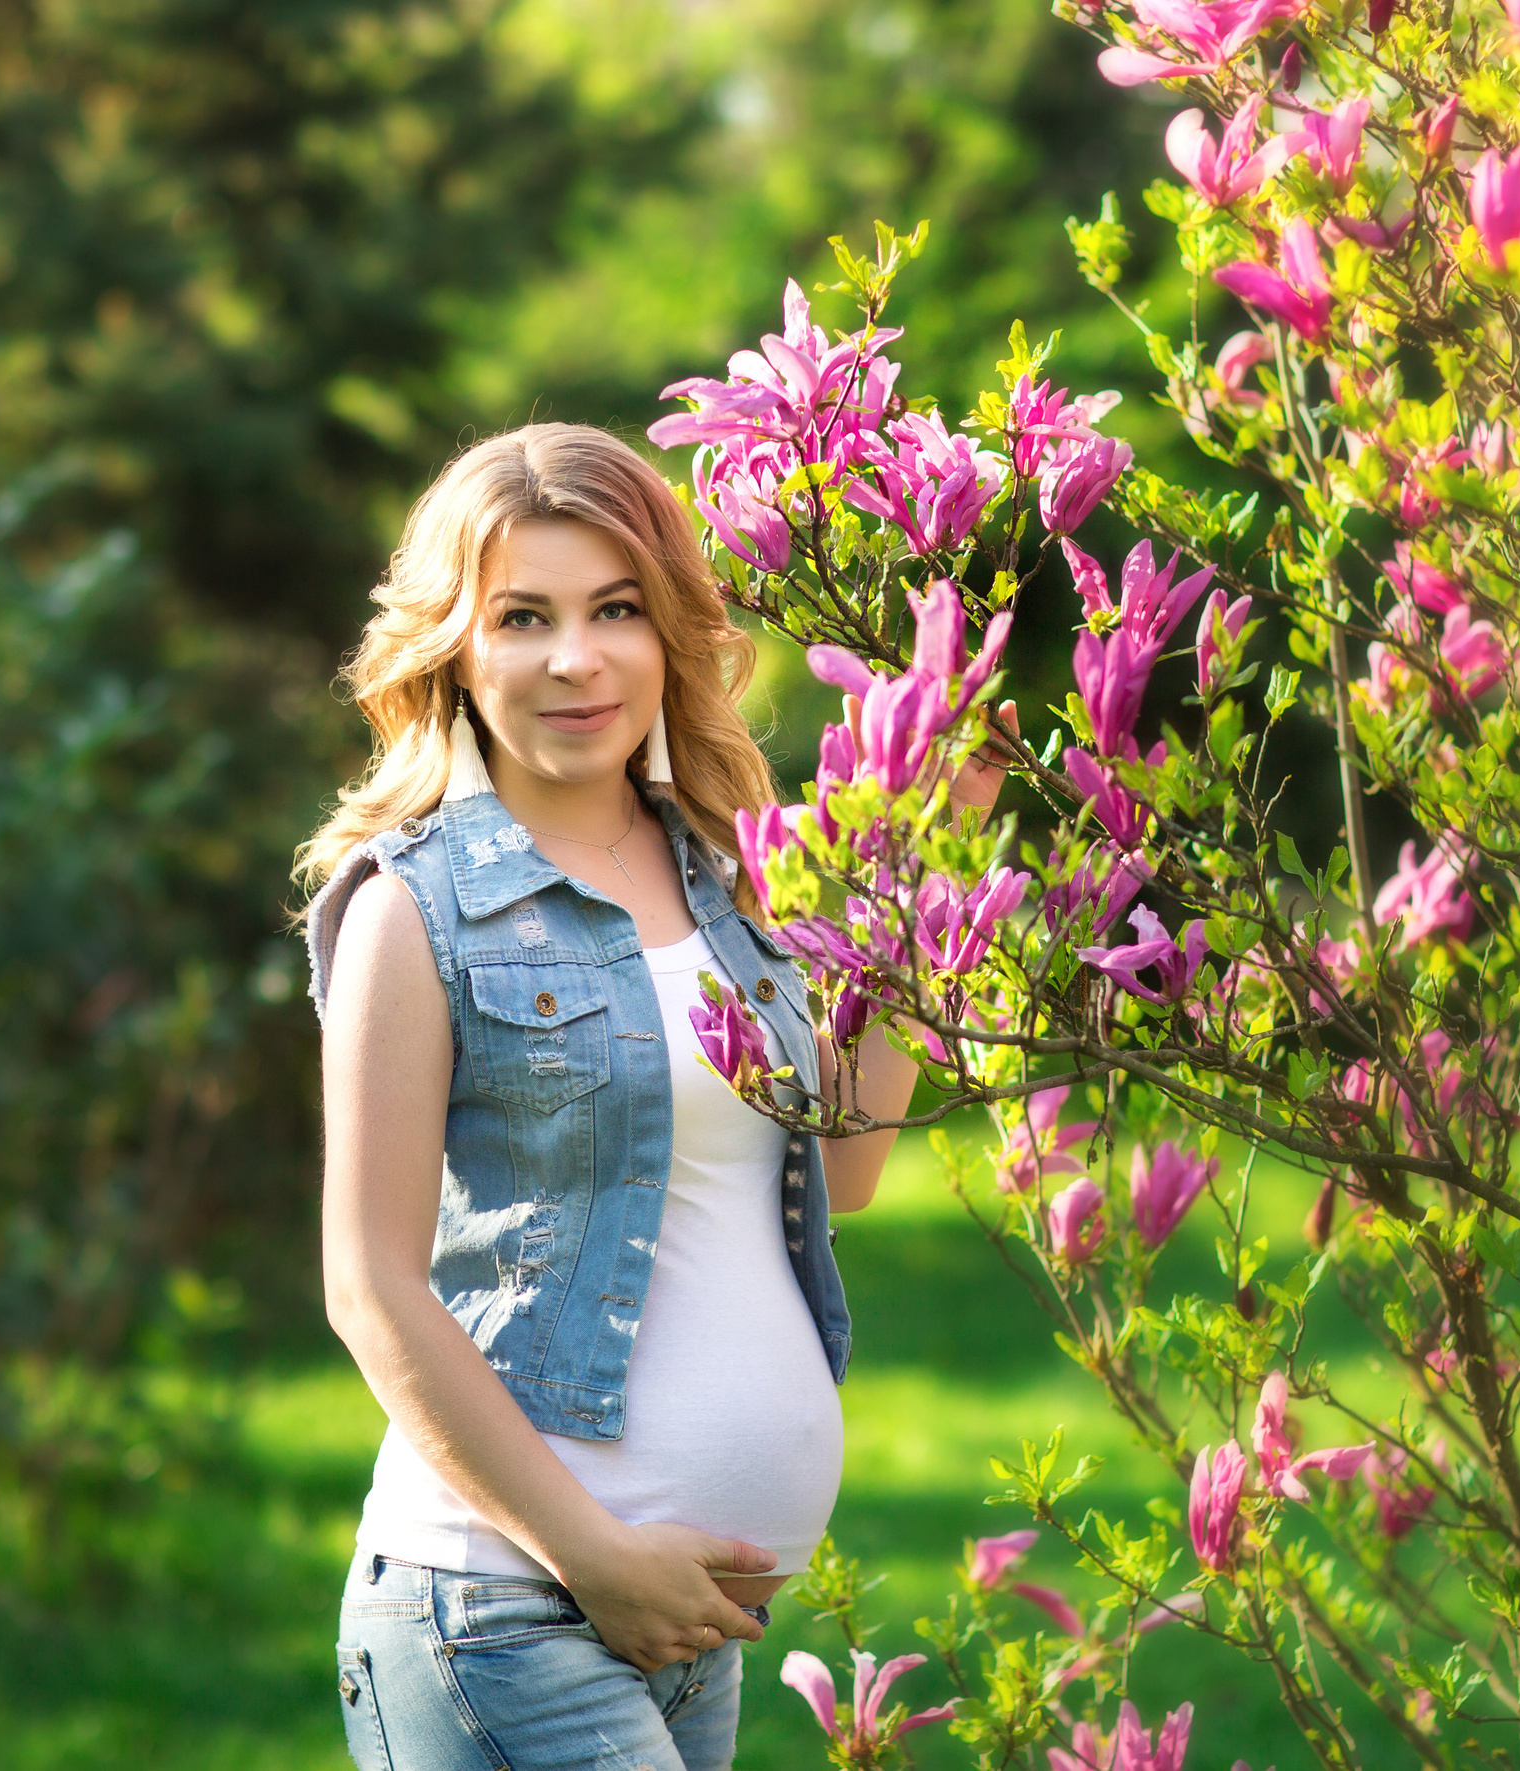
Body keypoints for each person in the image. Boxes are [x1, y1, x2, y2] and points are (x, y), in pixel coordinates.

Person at [297, 423, 1001, 1768]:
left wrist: (923, 876)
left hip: (688, 1633)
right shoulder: (417, 910)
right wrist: (596, 1556)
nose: (577, 658)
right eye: (523, 618)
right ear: (456, 647)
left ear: (670, 627)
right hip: (503, 1610)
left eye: (615, 608)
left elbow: (840, 1169)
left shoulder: (729, 873)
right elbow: (366, 1285)